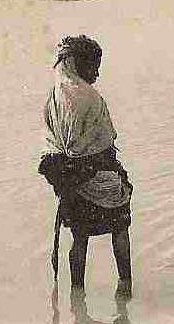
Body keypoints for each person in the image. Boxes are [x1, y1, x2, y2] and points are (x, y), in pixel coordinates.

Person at [38, 35, 134, 298]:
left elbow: (56, 144)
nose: (97, 73)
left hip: (71, 179)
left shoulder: (55, 96)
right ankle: (125, 288)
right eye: (94, 66)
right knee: (120, 229)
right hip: (100, 177)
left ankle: (76, 296)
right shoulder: (90, 97)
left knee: (79, 237)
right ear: (79, 65)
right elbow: (106, 140)